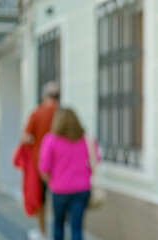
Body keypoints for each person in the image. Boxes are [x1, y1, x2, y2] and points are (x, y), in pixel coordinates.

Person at [38, 107, 100, 240]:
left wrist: (51, 183)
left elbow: (44, 168)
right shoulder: (86, 139)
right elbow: (96, 160)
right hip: (82, 188)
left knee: (58, 224)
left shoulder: (50, 140)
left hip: (59, 189)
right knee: (76, 227)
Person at [21, 81, 60, 240]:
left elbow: (25, 137)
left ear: (44, 96)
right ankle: (58, 233)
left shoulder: (37, 113)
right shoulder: (62, 114)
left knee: (41, 201)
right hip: (60, 165)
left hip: (41, 165)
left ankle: (43, 233)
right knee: (58, 201)